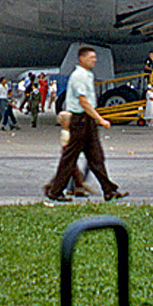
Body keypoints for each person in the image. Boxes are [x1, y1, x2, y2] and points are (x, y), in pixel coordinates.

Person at [44, 46, 126, 202]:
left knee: (97, 157)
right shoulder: (79, 76)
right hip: (80, 120)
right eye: (91, 58)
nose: (94, 60)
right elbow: (83, 102)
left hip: (87, 120)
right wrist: (100, 119)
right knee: (70, 159)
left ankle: (109, 190)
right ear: (82, 59)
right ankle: (55, 191)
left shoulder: (88, 75)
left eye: (95, 58)